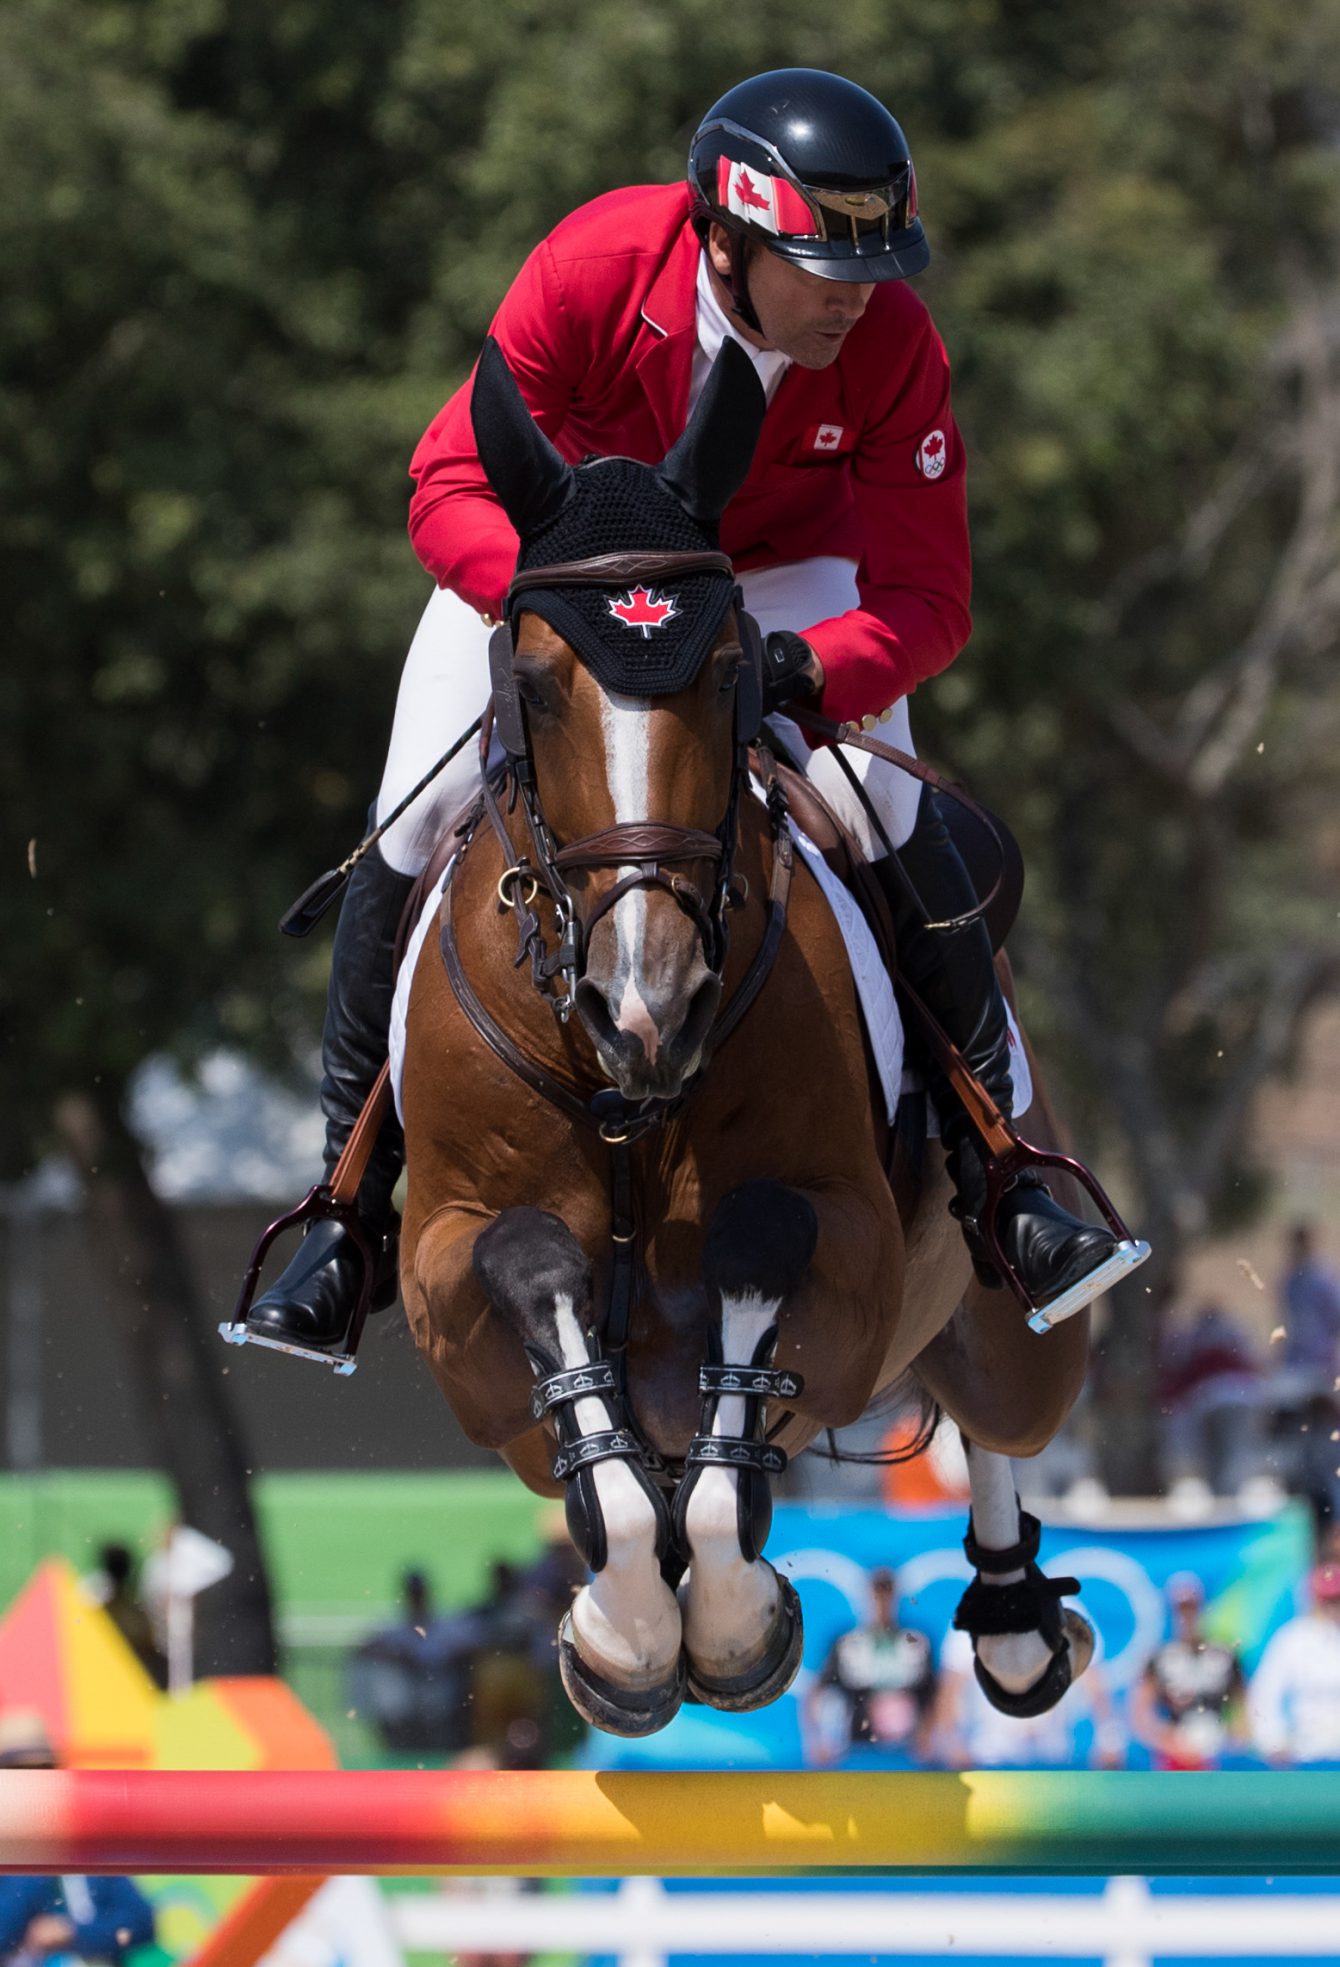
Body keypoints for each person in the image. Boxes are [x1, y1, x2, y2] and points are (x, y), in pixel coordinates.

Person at [246, 67, 1136, 1358]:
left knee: (881, 798)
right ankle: (343, 1212)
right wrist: (560, 608)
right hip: (565, 575)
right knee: (414, 806)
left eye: (872, 269)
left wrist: (810, 665)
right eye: (819, 270)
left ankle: (1005, 1170)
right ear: (722, 236)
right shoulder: (594, 266)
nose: (852, 299)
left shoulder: (891, 346)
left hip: (777, 587)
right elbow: (446, 479)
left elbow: (931, 600)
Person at [0, 1712, 155, 1965]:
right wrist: (33, 1859)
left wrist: (73, 1932)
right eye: (18, 1772)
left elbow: (141, 1922)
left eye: (42, 1769)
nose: (32, 1782)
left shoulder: (85, 1840)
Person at [803, 1567, 937, 1763]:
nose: (882, 1603)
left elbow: (935, 1694)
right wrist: (816, 1741)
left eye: (887, 1594)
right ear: (865, 1597)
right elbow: (815, 1692)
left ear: (896, 1597)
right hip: (858, 1754)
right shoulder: (847, 1645)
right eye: (876, 1594)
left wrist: (930, 1737)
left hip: (908, 1756)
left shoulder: (916, 1642)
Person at [1127, 1574, 1248, 1770]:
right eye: (1182, 1609)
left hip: (1218, 1753)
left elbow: (1245, 1707)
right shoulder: (1160, 1657)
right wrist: (1168, 1740)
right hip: (1177, 1754)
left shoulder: (1224, 1655)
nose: (1187, 1616)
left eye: (1192, 1607)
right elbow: (1140, 1714)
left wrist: (1234, 1742)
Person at [1247, 1560, 1340, 1766]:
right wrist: (1273, 1742)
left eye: (1337, 1599)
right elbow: (1265, 1692)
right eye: (1328, 1599)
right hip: (1309, 1753)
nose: (1334, 1606)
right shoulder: (1293, 1639)